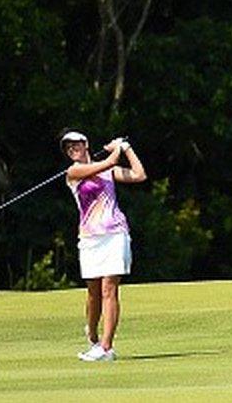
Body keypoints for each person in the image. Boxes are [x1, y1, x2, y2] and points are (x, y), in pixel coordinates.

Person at [61, 130, 146, 362]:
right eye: (68, 148)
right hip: (89, 238)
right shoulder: (73, 172)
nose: (72, 149)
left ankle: (106, 348)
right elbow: (108, 162)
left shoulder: (107, 170)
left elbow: (139, 175)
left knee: (109, 288)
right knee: (93, 293)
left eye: (75, 144)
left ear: (85, 144)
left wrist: (126, 149)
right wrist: (117, 148)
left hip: (115, 233)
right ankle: (93, 335)